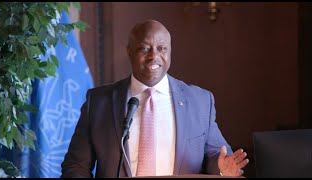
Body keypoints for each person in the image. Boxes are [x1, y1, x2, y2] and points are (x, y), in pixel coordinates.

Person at [61, 20, 249, 178]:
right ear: (129, 51)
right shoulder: (99, 102)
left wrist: (222, 169)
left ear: (169, 52)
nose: (154, 56)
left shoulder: (200, 101)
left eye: (162, 48)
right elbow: (76, 166)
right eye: (144, 48)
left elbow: (216, 154)